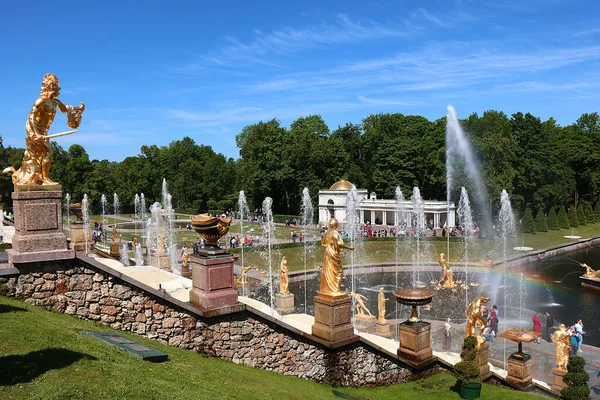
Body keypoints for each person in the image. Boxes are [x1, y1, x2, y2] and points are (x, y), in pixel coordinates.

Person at [3, 73, 85, 185]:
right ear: (51, 88)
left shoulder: (55, 102)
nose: (59, 90)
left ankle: (29, 175)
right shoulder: (41, 101)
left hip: (44, 131)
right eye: (56, 87)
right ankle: (45, 178)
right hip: (34, 129)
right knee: (47, 153)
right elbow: (31, 116)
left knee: (38, 155)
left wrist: (78, 109)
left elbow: (65, 108)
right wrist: (35, 133)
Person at [319, 218, 354, 297]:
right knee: (338, 271)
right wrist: (349, 248)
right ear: (335, 225)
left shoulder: (327, 233)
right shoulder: (335, 233)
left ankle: (328, 289)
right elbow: (340, 245)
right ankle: (335, 290)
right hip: (334, 254)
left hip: (327, 253)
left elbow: (323, 243)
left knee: (328, 270)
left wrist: (330, 245)